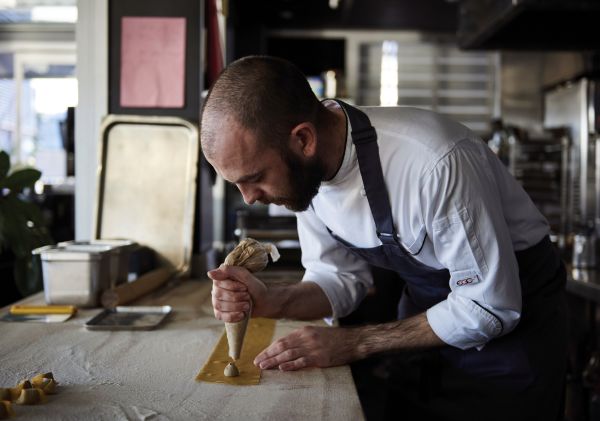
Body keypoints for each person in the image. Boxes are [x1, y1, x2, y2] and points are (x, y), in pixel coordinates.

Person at [201, 55, 567, 421]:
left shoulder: (434, 163)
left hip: (510, 355)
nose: (250, 197)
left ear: (303, 139)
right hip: (422, 341)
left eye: (255, 177)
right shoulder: (304, 176)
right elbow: (340, 279)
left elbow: (489, 306)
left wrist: (355, 342)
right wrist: (272, 302)